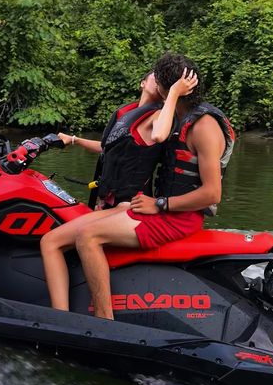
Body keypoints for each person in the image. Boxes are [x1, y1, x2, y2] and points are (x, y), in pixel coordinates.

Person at [75, 53, 235, 319]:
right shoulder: (176, 117)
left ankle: (104, 322)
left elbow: (212, 193)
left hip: (178, 217)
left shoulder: (204, 126)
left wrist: (159, 203)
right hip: (162, 210)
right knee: (83, 222)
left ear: (164, 87)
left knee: (87, 236)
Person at [40, 70, 198, 311]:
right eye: (155, 75)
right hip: (110, 201)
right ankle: (61, 316)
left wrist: (173, 94)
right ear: (142, 82)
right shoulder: (127, 114)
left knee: (85, 236)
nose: (160, 79)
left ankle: (104, 318)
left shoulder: (159, 114)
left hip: (130, 203)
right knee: (49, 241)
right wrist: (74, 140)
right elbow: (108, 148)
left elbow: (159, 134)